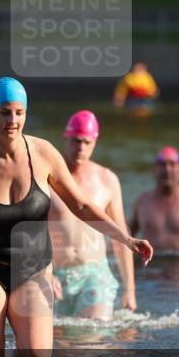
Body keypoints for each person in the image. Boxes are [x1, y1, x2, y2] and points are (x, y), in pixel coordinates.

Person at [0, 78, 153, 357]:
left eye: (19, 113)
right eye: (5, 112)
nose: (12, 121)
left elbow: (81, 205)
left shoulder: (44, 154)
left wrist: (126, 238)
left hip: (33, 267)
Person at [48, 110, 136, 320]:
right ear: (66, 138)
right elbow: (32, 231)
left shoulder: (107, 180)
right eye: (76, 141)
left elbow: (120, 235)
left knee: (94, 332)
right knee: (56, 339)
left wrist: (130, 289)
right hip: (55, 275)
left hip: (94, 275)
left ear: (94, 143)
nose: (81, 148)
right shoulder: (47, 178)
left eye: (87, 142)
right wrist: (44, 272)